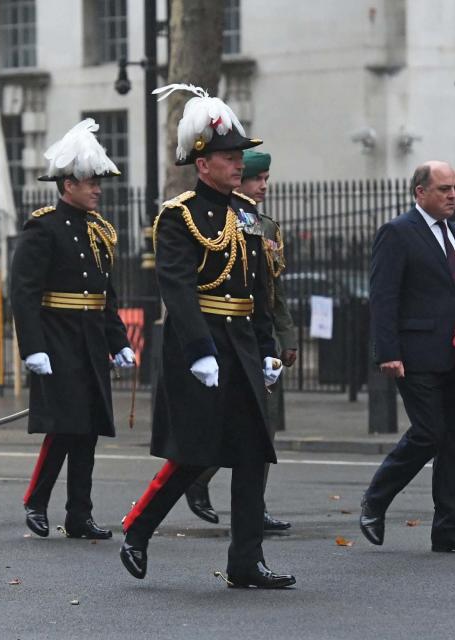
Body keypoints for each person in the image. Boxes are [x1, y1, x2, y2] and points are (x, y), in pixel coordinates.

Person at [119, 84, 295, 589]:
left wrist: (265, 349)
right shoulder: (178, 217)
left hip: (240, 343)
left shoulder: (245, 214)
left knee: (250, 453)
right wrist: (199, 349)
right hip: (199, 348)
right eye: (227, 155)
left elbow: (258, 288)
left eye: (238, 154)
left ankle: (245, 562)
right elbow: (175, 286)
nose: (237, 163)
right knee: (196, 451)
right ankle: (137, 527)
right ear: (202, 163)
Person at [359, 161, 455, 554]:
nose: (452, 195)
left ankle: (448, 528)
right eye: (443, 189)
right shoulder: (397, 233)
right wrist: (387, 351)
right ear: (420, 192)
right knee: (429, 432)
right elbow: (383, 296)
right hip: (414, 355)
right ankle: (376, 499)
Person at [10, 119, 134, 540]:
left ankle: (80, 513)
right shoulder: (42, 227)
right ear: (67, 184)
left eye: (98, 180)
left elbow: (105, 294)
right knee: (64, 427)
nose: (97, 188)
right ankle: (36, 501)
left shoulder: (98, 231)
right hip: (57, 340)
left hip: (90, 340)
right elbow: (23, 293)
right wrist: (33, 348)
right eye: (88, 180)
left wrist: (119, 341)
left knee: (89, 429)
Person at [182, 148, 295, 533]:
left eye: (264, 180)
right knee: (222, 424)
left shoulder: (265, 227)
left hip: (257, 336)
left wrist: (285, 336)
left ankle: (254, 508)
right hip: (225, 336)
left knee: (263, 427)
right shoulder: (212, 219)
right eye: (255, 179)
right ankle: (194, 480)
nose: (262, 186)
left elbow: (271, 291)